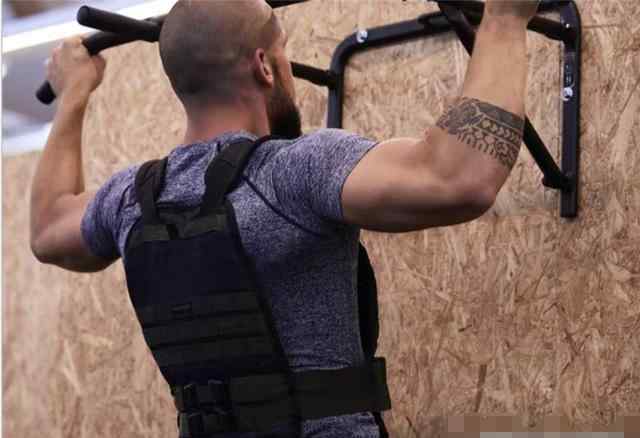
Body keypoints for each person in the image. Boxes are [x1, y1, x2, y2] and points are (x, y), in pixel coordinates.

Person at [30, 0, 540, 436]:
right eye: (283, 50)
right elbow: (459, 178)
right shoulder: (288, 172)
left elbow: (49, 227)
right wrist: (505, 18)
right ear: (265, 67)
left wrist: (73, 95)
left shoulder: (135, 200)